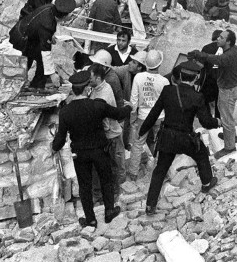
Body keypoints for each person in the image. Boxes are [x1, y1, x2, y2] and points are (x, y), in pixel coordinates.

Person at [51, 69, 132, 228]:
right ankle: (109, 211)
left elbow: (60, 138)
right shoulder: (98, 105)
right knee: (106, 180)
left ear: (73, 90)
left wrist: (54, 148)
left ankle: (91, 219)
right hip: (100, 150)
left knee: (85, 186)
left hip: (80, 154)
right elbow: (118, 114)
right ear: (87, 88)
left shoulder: (65, 112)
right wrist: (129, 108)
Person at [139, 60, 219, 215]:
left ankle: (150, 206)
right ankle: (207, 183)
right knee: (202, 154)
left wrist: (142, 130)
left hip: (167, 137)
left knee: (160, 169)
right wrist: (216, 122)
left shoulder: (168, 91)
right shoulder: (197, 96)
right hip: (186, 138)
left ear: (180, 76)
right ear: (196, 78)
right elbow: (205, 122)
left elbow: (154, 113)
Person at [189, 29, 237, 159]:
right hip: (230, 88)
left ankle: (229, 147)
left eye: (221, 37)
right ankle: (230, 136)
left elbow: (217, 60)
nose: (218, 39)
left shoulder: (228, 55)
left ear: (228, 42)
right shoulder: (234, 49)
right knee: (227, 115)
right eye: (218, 36)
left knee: (227, 119)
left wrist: (201, 55)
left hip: (228, 91)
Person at [10, 0, 76, 89]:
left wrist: (49, 36)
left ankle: (34, 85)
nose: (72, 15)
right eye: (70, 14)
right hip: (22, 39)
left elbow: (40, 25)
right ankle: (31, 86)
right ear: (64, 16)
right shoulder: (48, 25)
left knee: (35, 60)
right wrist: (52, 74)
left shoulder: (50, 8)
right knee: (32, 60)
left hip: (27, 34)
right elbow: (46, 51)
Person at [127, 50, 168, 180]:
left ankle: (133, 173)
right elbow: (166, 102)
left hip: (143, 117)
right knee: (159, 143)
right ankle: (159, 171)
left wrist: (133, 118)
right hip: (159, 117)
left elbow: (133, 101)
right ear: (159, 64)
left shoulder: (138, 77)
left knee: (138, 144)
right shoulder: (164, 81)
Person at [88, 62, 127, 189]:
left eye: (90, 78)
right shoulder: (100, 87)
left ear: (98, 78)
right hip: (111, 133)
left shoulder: (103, 95)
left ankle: (117, 188)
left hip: (111, 135)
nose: (89, 81)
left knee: (115, 164)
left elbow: (105, 124)